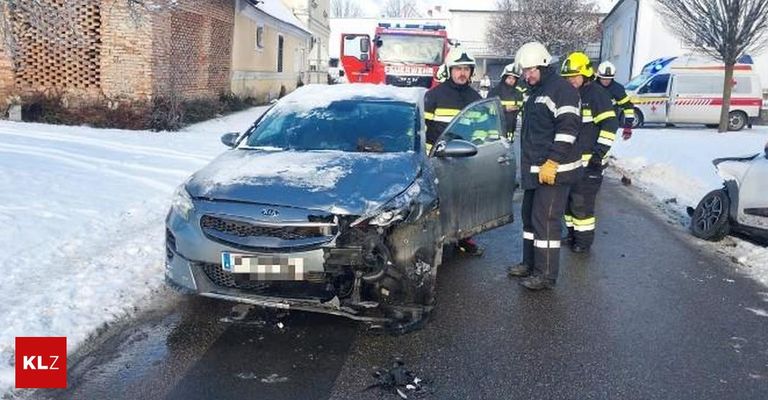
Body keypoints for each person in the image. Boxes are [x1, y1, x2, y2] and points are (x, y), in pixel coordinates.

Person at [506, 42, 582, 290]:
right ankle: (529, 263)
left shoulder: (562, 91)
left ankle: (546, 274)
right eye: (524, 71)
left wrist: (553, 161)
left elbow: (568, 130)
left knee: (546, 221)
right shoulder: (536, 91)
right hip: (537, 170)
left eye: (531, 70)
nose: (527, 75)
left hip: (555, 171)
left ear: (544, 66)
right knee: (529, 218)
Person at [424, 47, 485, 256]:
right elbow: (422, 128)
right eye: (458, 69)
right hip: (437, 159)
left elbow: (481, 131)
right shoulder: (434, 96)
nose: (462, 73)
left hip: (465, 159)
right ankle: (435, 240)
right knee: (437, 202)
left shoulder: (476, 98)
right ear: (450, 70)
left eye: (466, 69)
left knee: (465, 201)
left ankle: (464, 238)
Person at [560, 52, 619, 253]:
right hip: (571, 162)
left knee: (582, 204)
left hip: (590, 163)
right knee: (568, 203)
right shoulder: (570, 94)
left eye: (574, 76)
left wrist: (598, 154)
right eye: (568, 77)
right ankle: (572, 235)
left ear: (585, 74)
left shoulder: (596, 94)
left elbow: (610, 125)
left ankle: (583, 242)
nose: (571, 80)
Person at [596, 61, 635, 140]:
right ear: (599, 76)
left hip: (610, 125)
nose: (606, 81)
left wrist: (628, 127)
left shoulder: (617, 89)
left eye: (609, 78)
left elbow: (628, 107)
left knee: (604, 144)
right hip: (592, 124)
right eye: (604, 78)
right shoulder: (591, 87)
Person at [488, 62, 526, 140]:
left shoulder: (518, 93)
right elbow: (488, 109)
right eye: (509, 78)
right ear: (504, 78)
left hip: (511, 131)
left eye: (514, 79)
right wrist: (505, 108)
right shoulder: (495, 91)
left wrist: (518, 108)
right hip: (496, 131)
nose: (511, 80)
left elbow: (522, 108)